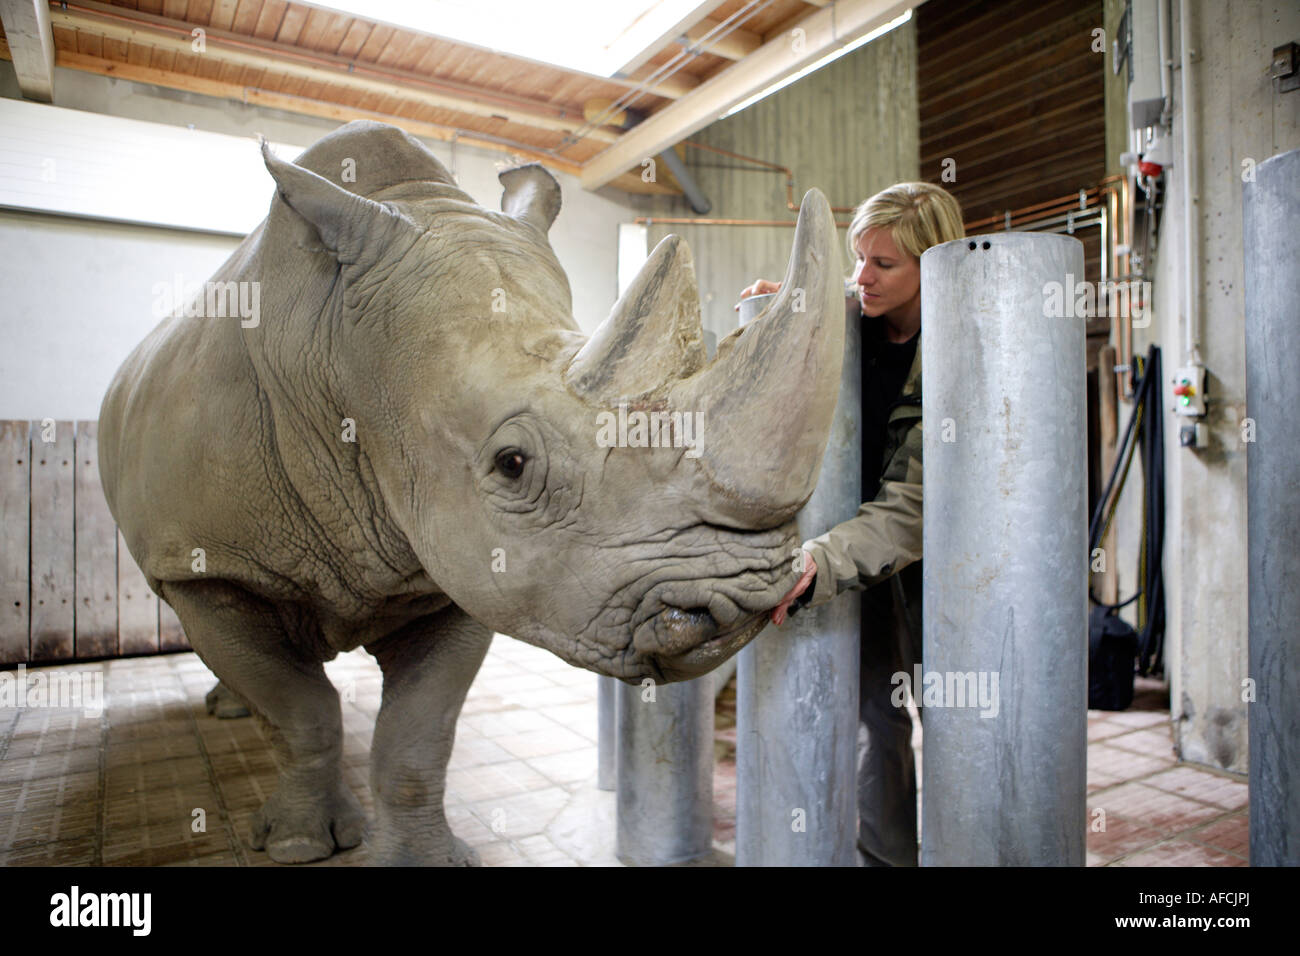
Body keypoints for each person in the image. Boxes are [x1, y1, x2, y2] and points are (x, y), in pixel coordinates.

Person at [738, 181, 964, 867]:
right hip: (853, 552)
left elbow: (914, 505)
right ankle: (888, 859)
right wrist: (791, 312)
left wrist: (821, 562)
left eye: (883, 265)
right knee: (878, 719)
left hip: (939, 564)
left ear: (937, 263)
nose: (860, 277)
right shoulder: (853, 315)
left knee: (959, 720)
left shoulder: (961, 353)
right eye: (857, 259)